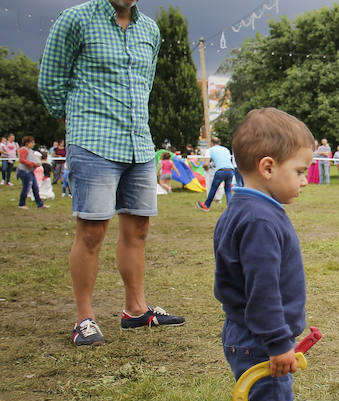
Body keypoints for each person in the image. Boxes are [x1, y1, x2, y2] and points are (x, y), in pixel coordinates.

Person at [39, 0, 184, 347]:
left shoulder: (149, 29)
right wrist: (79, 120)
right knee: (92, 230)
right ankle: (84, 319)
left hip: (138, 142)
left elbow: (144, 84)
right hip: (93, 141)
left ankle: (135, 310)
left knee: (139, 227)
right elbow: (50, 82)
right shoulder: (75, 19)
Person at [212, 107, 316, 401]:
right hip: (259, 340)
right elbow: (262, 290)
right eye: (300, 170)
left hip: (247, 334)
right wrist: (278, 344)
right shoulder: (258, 219)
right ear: (268, 167)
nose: (306, 179)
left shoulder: (247, 207)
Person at [198, 137, 235, 211]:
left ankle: (206, 205)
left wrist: (206, 169)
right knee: (228, 190)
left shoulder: (210, 150)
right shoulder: (225, 149)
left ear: (211, 143)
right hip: (230, 170)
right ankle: (230, 208)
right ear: (219, 143)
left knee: (213, 188)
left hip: (220, 170)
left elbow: (206, 164)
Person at [16, 136, 45, 209]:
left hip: (30, 171)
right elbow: (22, 160)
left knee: (35, 188)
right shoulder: (24, 149)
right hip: (24, 171)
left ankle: (40, 204)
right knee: (26, 188)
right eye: (32, 142)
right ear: (27, 143)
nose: (33, 144)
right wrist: (32, 164)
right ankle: (21, 204)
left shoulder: (30, 150)